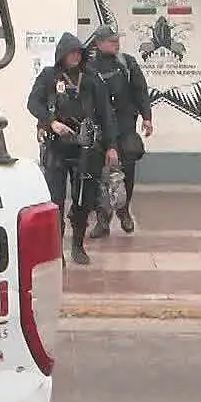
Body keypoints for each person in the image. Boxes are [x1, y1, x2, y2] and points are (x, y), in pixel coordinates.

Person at [26, 32, 117, 265]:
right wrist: (50, 122)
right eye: (71, 53)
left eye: (78, 53)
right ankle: (57, 250)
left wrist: (111, 146)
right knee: (55, 201)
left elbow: (106, 113)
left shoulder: (91, 78)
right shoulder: (49, 76)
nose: (75, 57)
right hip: (57, 148)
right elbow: (33, 103)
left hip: (85, 149)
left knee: (83, 200)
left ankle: (78, 244)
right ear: (62, 54)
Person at [82, 24, 153, 237]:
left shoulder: (127, 63)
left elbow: (140, 90)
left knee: (127, 172)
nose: (116, 43)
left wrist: (147, 116)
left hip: (125, 127)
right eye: (111, 40)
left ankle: (123, 210)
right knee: (99, 177)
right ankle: (102, 220)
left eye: (117, 39)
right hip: (100, 131)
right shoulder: (89, 67)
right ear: (98, 43)